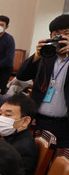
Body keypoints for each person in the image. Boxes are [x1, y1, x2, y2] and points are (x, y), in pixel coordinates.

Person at [17, 13, 69, 149]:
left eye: (67, 33)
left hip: (65, 125)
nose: (62, 37)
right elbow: (21, 75)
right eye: (57, 33)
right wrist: (37, 55)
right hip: (38, 121)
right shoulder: (47, 56)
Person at [0, 94, 39, 175]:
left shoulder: (22, 149)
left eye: (8, 115)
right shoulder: (10, 137)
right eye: (0, 114)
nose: (1, 119)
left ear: (25, 121)